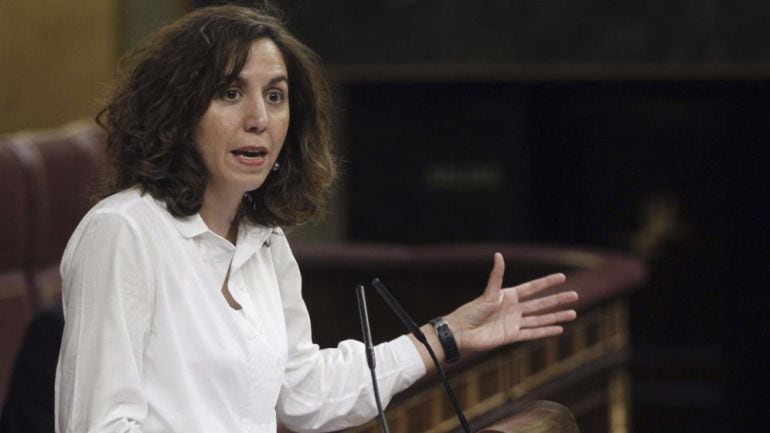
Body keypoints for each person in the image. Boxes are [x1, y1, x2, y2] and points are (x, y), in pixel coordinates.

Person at [55, 5, 579, 433]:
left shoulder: (263, 243)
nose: (258, 118)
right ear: (178, 111)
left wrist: (442, 337)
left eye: (276, 96)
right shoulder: (123, 231)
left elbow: (302, 391)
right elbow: (98, 426)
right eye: (230, 93)